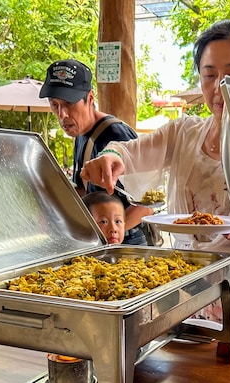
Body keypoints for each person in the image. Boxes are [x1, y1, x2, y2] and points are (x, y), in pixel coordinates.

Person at [80, 19, 230, 332]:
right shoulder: (183, 132)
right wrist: (112, 157)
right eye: (209, 75)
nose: (220, 86)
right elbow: (131, 151)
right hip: (186, 283)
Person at [40, 59, 151, 245]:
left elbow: (145, 208)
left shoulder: (116, 136)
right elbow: (83, 190)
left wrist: (106, 238)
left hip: (125, 247)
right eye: (54, 104)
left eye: (69, 103)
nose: (62, 115)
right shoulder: (80, 134)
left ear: (90, 98)